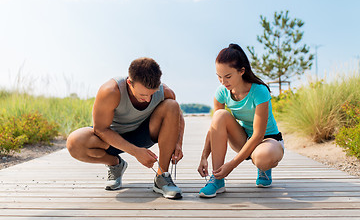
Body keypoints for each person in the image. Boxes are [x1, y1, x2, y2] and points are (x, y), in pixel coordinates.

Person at [66, 57, 184, 199]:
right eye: (142, 95)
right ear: (129, 83)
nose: (147, 99)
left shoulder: (165, 92)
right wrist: (136, 152)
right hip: (111, 137)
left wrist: (178, 143)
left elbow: (178, 116)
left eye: (151, 94)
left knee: (172, 105)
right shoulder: (110, 91)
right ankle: (115, 164)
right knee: (74, 142)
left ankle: (162, 177)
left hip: (144, 134)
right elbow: (100, 129)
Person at [197, 43, 284, 198]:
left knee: (262, 158)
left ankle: (264, 168)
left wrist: (231, 165)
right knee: (219, 116)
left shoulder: (259, 91)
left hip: (267, 140)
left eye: (228, 76)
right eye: (219, 76)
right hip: (243, 139)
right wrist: (204, 156)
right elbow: (214, 128)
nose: (223, 82)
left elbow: (258, 135)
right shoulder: (222, 92)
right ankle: (217, 180)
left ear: (242, 71)